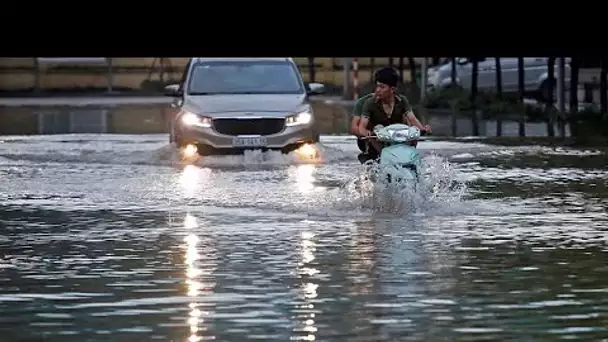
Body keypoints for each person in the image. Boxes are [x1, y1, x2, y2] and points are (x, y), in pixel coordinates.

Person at [356, 67, 432, 162]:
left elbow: (412, 119)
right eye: (377, 86)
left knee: (412, 131)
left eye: (382, 87)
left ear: (392, 89)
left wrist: (422, 129)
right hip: (377, 142)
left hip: (397, 139)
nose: (378, 90)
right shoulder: (370, 103)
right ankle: (380, 158)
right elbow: (362, 126)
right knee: (377, 128)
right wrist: (366, 132)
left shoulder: (402, 101)